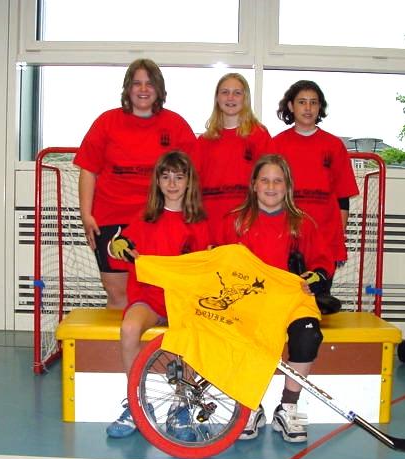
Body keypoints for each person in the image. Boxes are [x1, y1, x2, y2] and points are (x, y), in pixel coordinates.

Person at [217, 153, 334, 443]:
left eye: (278, 181)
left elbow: (322, 264)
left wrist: (316, 277)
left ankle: (288, 407)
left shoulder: (302, 223)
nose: (271, 187)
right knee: (242, 333)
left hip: (292, 301)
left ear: (287, 186)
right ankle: (249, 405)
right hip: (250, 302)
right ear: (254, 185)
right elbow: (217, 263)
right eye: (265, 180)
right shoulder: (234, 222)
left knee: (308, 335)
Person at [73, 58, 196, 309]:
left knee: (156, 290)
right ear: (128, 88)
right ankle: (122, 337)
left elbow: (191, 175)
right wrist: (86, 214)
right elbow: (88, 170)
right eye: (137, 83)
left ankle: (152, 336)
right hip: (112, 218)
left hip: (157, 219)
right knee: (117, 290)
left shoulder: (176, 125)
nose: (143, 89)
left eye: (149, 84)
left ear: (159, 89)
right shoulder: (106, 122)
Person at [104, 150, 210, 439]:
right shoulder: (145, 218)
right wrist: (119, 246)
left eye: (179, 177)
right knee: (129, 328)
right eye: (166, 177)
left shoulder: (199, 223)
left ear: (189, 182)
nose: (172, 183)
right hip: (149, 299)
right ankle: (138, 403)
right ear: (158, 182)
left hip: (182, 301)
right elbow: (118, 248)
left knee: (192, 331)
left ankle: (181, 406)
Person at [273, 80, 359, 273]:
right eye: (302, 102)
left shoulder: (334, 145)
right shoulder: (276, 145)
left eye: (313, 102)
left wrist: (338, 238)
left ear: (320, 107)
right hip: (286, 238)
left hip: (324, 239)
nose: (308, 108)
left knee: (319, 291)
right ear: (291, 106)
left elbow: (342, 198)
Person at [195, 73, 272, 243]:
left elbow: (269, 182)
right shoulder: (204, 141)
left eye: (237, 93)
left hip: (247, 221)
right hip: (211, 221)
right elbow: (195, 187)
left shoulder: (259, 136)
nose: (230, 98)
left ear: (245, 98)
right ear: (217, 98)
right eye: (225, 92)